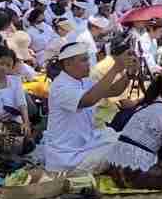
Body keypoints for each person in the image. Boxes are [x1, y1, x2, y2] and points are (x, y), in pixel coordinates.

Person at [43, 40, 132, 173]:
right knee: (126, 147)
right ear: (68, 63)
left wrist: (129, 73)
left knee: (131, 138)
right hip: (68, 157)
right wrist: (115, 69)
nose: (89, 63)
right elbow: (89, 100)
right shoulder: (60, 86)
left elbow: (114, 91)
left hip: (88, 144)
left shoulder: (84, 80)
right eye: (84, 60)